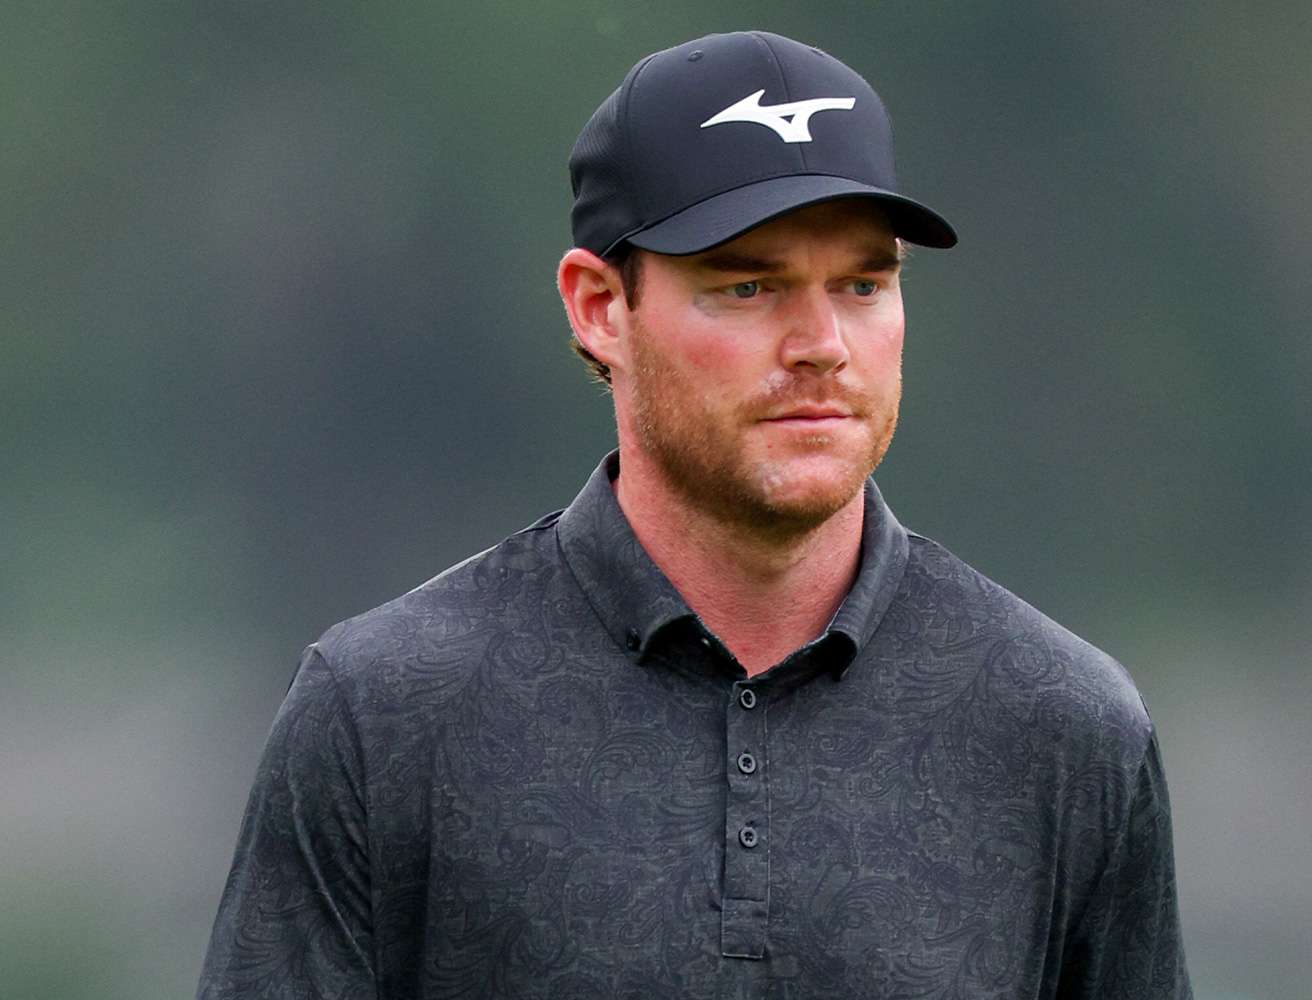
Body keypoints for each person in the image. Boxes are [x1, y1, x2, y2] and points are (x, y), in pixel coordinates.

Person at [199, 30, 1191, 999]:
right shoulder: (384, 716)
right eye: (748, 284)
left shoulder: (1064, 728)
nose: (822, 344)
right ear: (598, 307)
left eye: (863, 283)